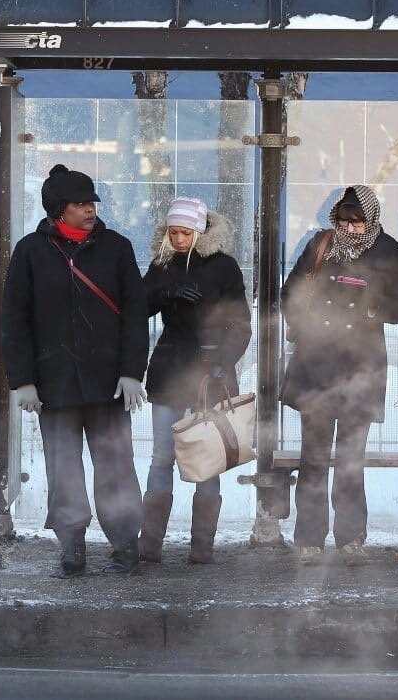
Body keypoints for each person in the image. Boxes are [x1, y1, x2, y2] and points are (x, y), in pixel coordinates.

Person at [2, 164, 148, 577]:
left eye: (91, 203)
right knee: (63, 467)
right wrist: (23, 380)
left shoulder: (117, 248)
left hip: (109, 382)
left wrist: (132, 371)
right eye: (80, 204)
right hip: (55, 383)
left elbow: (135, 314)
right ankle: (71, 545)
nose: (90, 210)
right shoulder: (30, 251)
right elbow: (15, 320)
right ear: (58, 209)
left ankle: (125, 542)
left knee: (116, 464)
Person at [281, 185, 398, 567]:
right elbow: (289, 293)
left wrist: (370, 307)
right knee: (314, 457)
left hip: (361, 367)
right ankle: (309, 539)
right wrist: (310, 322)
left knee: (352, 458)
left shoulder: (389, 251)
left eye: (357, 222)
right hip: (317, 363)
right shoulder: (320, 244)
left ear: (371, 219)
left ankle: (351, 537)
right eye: (344, 221)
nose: (350, 229)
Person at [138, 197, 250, 565]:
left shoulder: (224, 266)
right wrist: (164, 292)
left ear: (200, 232)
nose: (179, 239)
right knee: (161, 456)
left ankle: (202, 546)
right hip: (170, 368)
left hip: (210, 371)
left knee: (208, 458)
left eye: (186, 233)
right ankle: (149, 544)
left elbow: (241, 324)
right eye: (173, 233)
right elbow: (138, 306)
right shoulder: (163, 263)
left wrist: (222, 361)